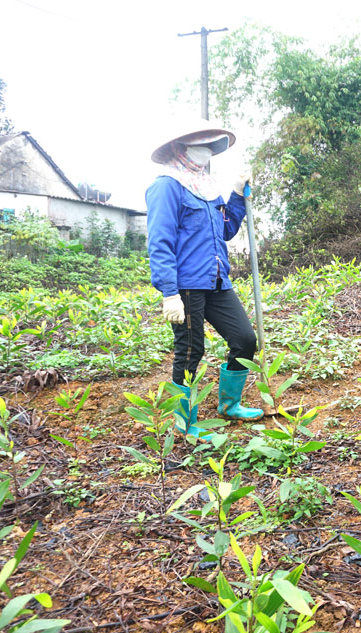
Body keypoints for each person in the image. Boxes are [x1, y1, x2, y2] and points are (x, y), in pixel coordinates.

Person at [145, 121, 264, 439]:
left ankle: (229, 405)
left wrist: (236, 194)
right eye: (197, 145)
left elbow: (225, 229)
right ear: (178, 148)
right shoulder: (166, 186)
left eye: (208, 146)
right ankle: (185, 424)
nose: (205, 151)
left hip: (216, 281)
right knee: (189, 351)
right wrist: (169, 291)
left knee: (245, 339)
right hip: (185, 285)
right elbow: (160, 242)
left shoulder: (207, 186)